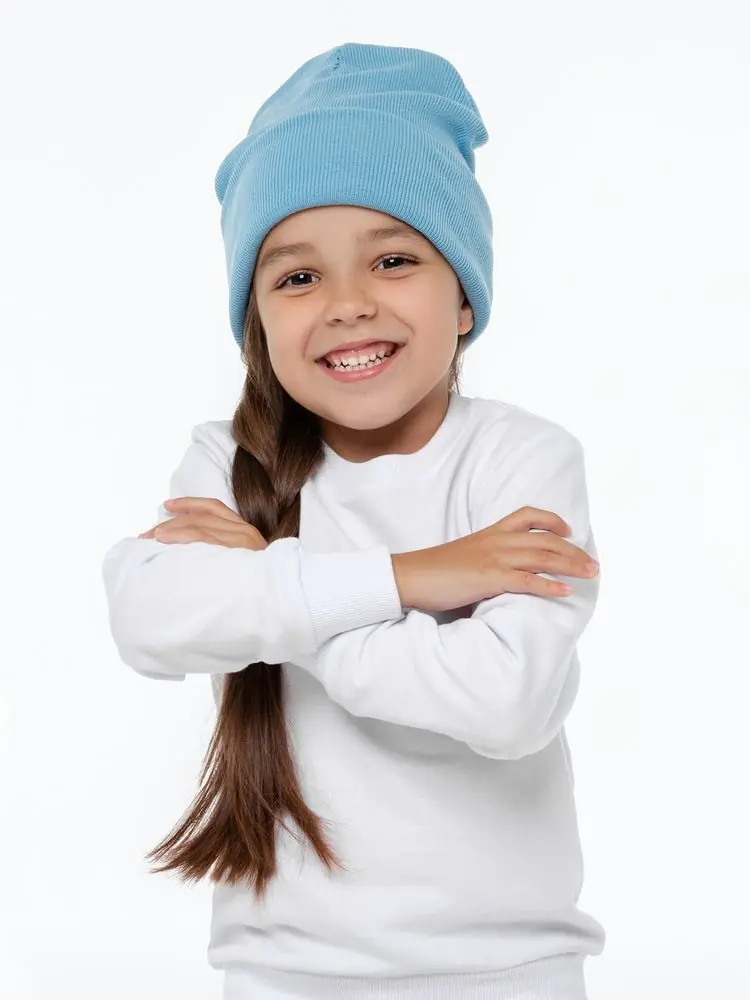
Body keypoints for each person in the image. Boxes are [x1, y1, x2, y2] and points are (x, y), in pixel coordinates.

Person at [101, 41, 605, 1000]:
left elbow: (506, 701)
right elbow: (150, 621)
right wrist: (409, 578)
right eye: (297, 278)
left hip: (507, 971)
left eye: (393, 259)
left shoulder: (521, 460)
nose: (347, 304)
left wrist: (273, 589)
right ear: (257, 321)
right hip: (280, 974)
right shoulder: (230, 462)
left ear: (464, 297)